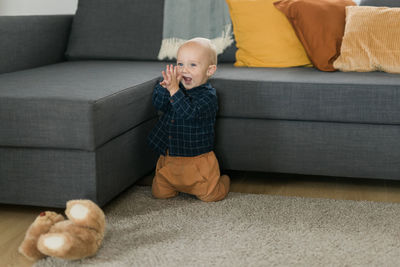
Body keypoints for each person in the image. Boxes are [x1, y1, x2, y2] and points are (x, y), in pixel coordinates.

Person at [147, 37, 230, 202]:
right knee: (159, 193)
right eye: (180, 64)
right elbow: (158, 105)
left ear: (209, 70)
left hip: (198, 162)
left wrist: (174, 90)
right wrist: (165, 88)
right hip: (169, 159)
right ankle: (172, 185)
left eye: (193, 65)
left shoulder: (208, 96)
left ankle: (223, 181)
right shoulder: (174, 87)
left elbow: (189, 114)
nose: (184, 70)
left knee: (210, 196)